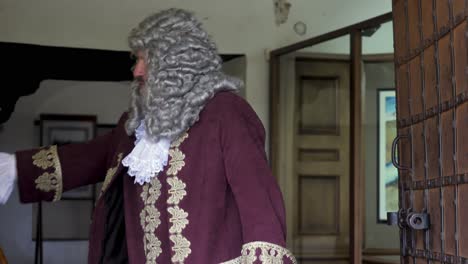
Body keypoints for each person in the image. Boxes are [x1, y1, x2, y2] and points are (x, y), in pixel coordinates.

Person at [0, 8, 297, 264]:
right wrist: (14, 168)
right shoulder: (134, 126)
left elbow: (260, 204)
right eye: (136, 60)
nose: (137, 71)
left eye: (147, 59)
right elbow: (86, 158)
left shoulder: (226, 112)